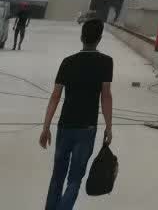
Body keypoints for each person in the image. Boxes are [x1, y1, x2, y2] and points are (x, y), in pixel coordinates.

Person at [39, 16, 113, 210]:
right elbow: (106, 96)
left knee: (57, 177)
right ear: (99, 39)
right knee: (74, 179)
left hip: (65, 126)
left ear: (82, 37)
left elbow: (55, 96)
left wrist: (46, 127)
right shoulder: (106, 62)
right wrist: (109, 127)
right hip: (87, 129)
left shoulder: (68, 62)